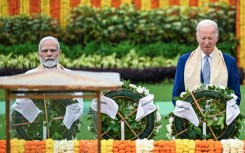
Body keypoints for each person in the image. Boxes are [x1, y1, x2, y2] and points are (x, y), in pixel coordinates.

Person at [12, 36, 83, 131]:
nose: (49, 54)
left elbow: (78, 104)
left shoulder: (71, 76)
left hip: (65, 131)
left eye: (53, 50)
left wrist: (62, 126)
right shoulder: (28, 76)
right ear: (38, 54)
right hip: (35, 130)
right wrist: (41, 119)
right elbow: (20, 102)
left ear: (59, 53)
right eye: (45, 51)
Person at [172, 19, 241, 106]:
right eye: (203, 38)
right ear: (197, 37)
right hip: (191, 117)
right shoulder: (184, 61)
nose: (206, 42)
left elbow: (236, 97)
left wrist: (221, 115)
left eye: (210, 38)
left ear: (217, 37)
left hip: (221, 117)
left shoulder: (229, 62)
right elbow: (176, 95)